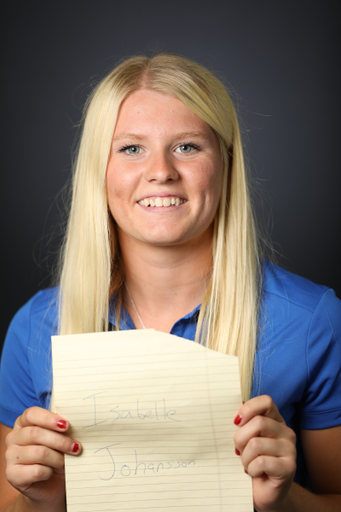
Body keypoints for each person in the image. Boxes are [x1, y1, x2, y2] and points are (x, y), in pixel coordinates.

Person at [0, 53, 340, 512]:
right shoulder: (33, 329)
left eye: (187, 146)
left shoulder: (314, 321)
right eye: (131, 148)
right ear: (98, 169)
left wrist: (283, 500)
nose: (161, 170)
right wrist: (42, 501)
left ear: (226, 162)